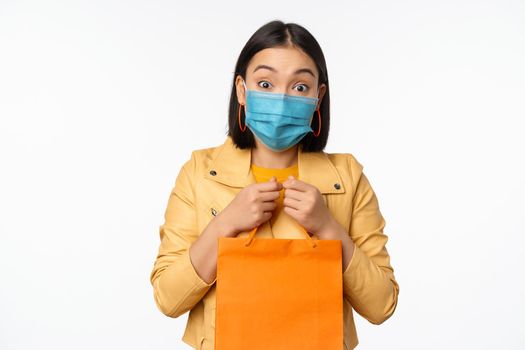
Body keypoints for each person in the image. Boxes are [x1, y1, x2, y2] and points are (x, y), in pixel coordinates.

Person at [149, 20, 399, 350]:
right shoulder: (200, 172)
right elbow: (168, 298)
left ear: (318, 96)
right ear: (241, 89)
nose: (281, 100)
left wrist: (328, 227)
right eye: (265, 83)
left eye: (299, 87)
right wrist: (225, 223)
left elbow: (381, 305)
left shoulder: (347, 177)